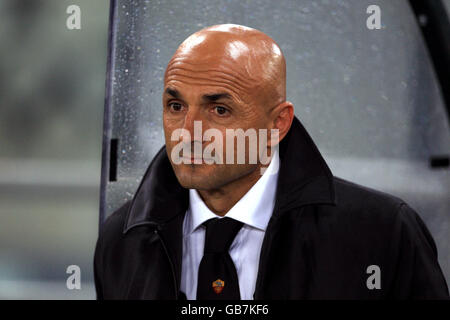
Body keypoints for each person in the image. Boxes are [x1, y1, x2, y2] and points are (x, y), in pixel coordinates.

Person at [94, 24, 449, 299]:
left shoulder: (383, 234)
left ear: (278, 123)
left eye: (219, 109)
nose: (188, 132)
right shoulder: (123, 239)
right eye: (176, 107)